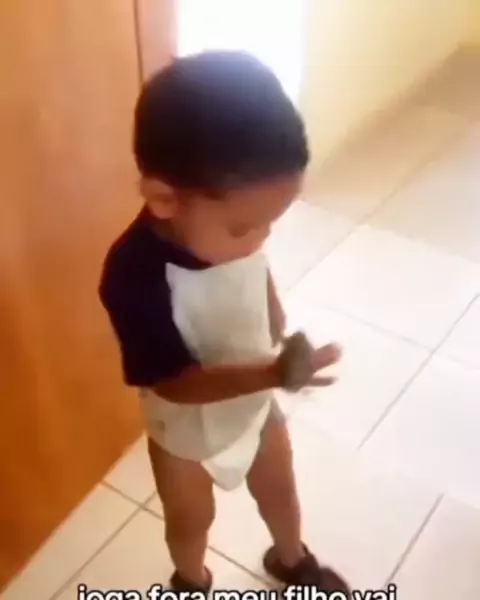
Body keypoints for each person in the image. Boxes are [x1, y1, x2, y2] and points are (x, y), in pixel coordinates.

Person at [99, 51, 350, 594]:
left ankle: (290, 558)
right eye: (246, 228)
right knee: (191, 518)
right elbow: (175, 382)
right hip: (183, 423)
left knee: (280, 487)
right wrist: (273, 373)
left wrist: (275, 318)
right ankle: (190, 579)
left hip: (254, 399)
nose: (261, 239)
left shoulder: (226, 229)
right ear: (163, 198)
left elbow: (254, 268)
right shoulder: (132, 275)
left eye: (271, 224)